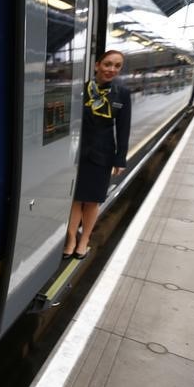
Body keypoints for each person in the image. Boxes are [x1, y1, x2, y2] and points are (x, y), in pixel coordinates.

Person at [63, 50, 131, 259]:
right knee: (75, 198)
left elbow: (123, 128)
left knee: (92, 201)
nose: (112, 69)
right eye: (108, 64)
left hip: (103, 154)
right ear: (97, 65)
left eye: (117, 66)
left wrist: (120, 158)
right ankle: (71, 238)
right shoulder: (81, 90)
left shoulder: (122, 94)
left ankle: (84, 240)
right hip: (77, 152)